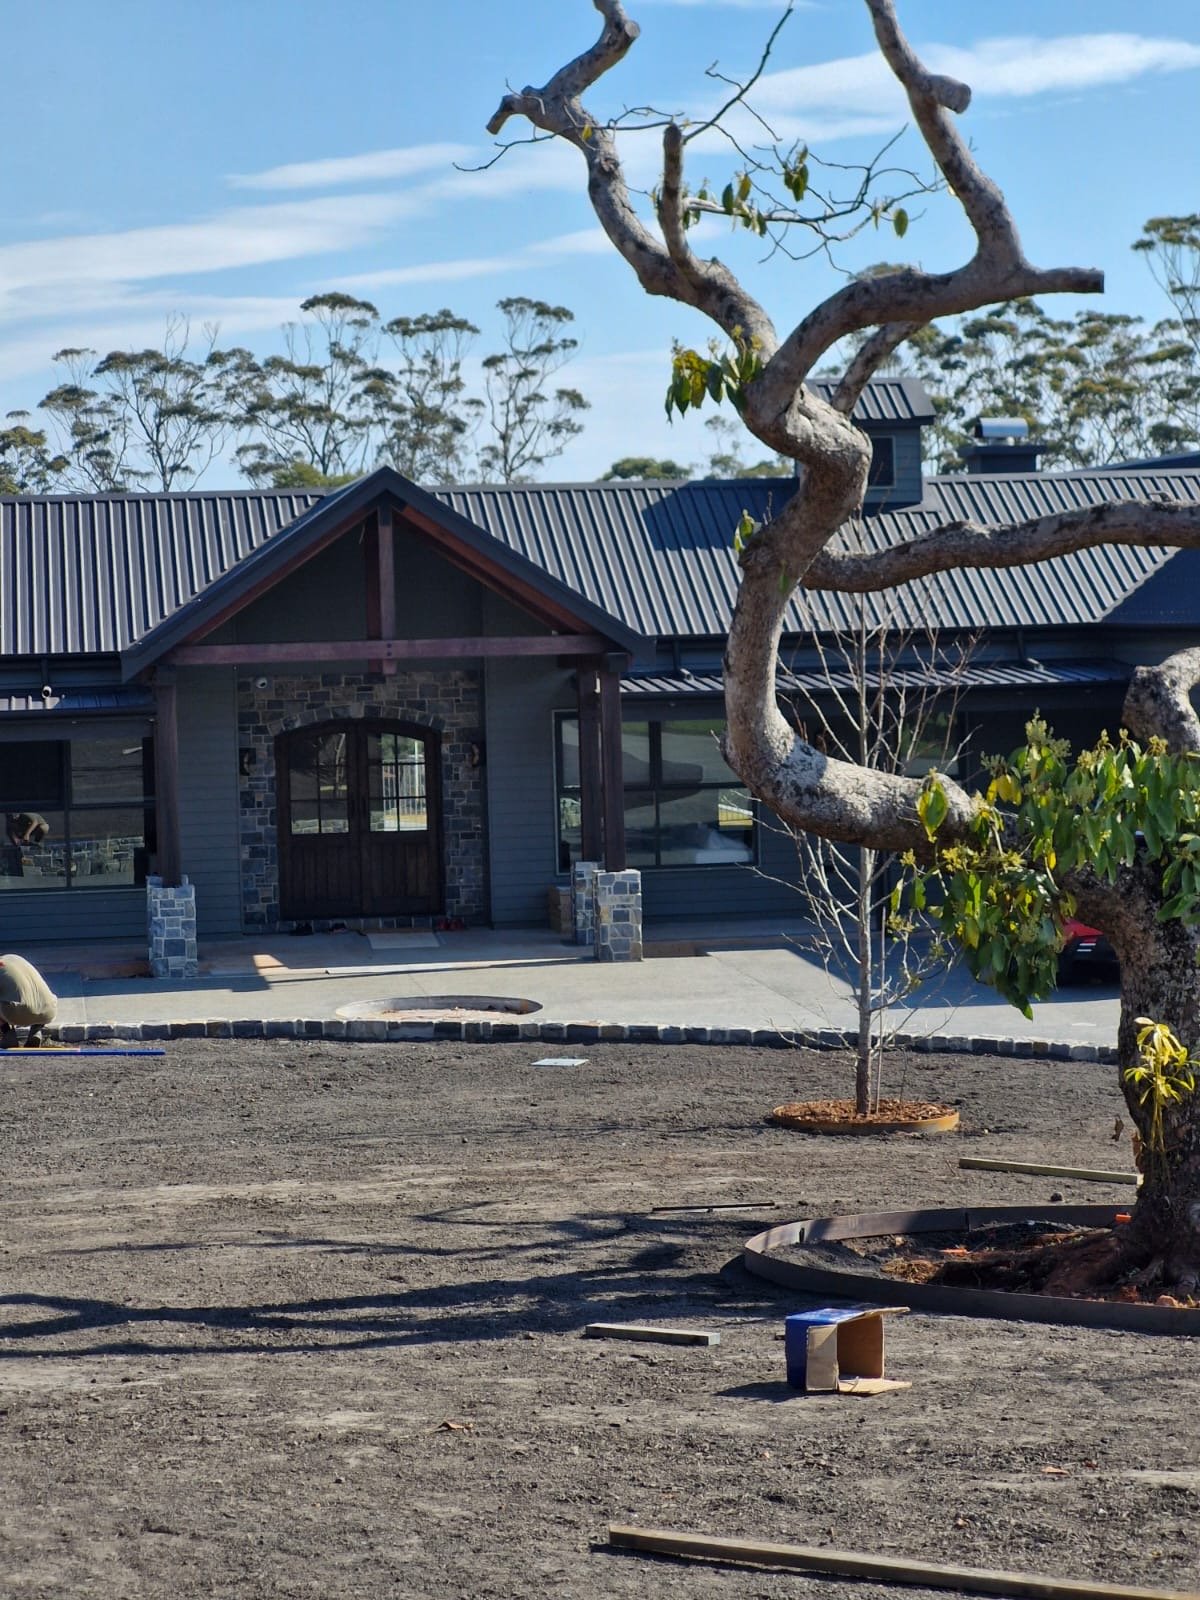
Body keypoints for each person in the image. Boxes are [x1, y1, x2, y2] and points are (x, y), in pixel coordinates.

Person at [0, 953, 58, 1046]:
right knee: (38, 998)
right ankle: (36, 1032)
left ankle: (7, 1034)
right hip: (48, 1011)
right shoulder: (16, 959)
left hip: (17, 1013)